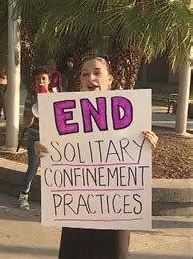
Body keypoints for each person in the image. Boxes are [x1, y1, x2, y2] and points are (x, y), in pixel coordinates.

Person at [35, 56, 158, 259]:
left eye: (97, 72)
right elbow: (55, 150)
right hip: (77, 211)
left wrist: (148, 145)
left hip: (116, 212)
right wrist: (39, 147)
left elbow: (132, 158)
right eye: (84, 74)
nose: (90, 78)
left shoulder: (130, 113)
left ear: (110, 79)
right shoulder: (64, 111)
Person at [18, 66, 54, 210]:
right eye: (38, 79)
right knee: (32, 168)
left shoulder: (54, 96)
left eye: (44, 78)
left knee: (51, 169)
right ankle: (23, 196)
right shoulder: (31, 97)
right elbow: (27, 123)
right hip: (35, 137)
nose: (41, 81)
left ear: (49, 80)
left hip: (51, 139)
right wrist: (35, 108)